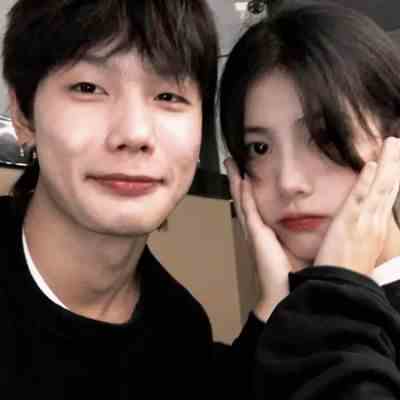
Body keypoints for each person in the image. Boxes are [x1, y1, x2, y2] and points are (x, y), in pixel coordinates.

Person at [0, 0, 264, 397]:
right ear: (23, 115)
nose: (135, 133)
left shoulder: (179, 331)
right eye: (88, 88)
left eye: (169, 96)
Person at [220, 1, 400, 398]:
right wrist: (274, 308)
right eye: (259, 148)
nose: (289, 182)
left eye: (324, 137)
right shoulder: (274, 323)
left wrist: (335, 298)